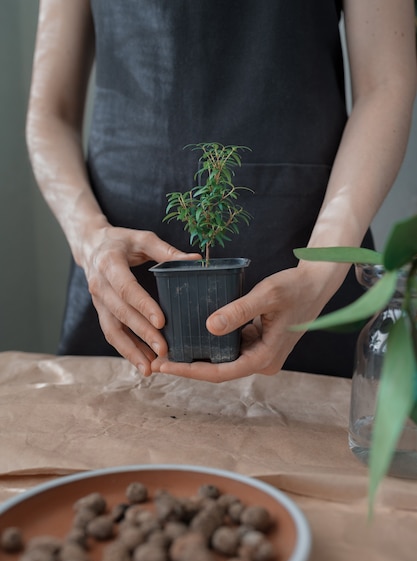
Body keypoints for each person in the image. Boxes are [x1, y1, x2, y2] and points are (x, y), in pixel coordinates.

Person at [26, 0, 416, 382]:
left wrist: (319, 273)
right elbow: (50, 111)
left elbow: (384, 84)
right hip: (120, 277)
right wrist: (89, 237)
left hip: (305, 269)